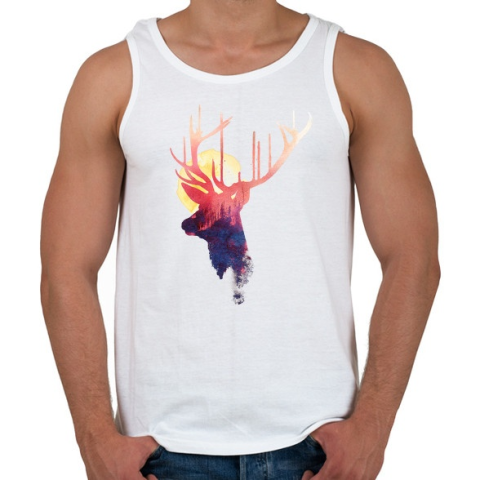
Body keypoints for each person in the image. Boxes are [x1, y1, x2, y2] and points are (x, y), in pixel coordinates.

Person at [39, 0, 440, 479]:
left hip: (318, 450)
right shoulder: (115, 76)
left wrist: (373, 426)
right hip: (159, 452)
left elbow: (413, 257)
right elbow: (66, 268)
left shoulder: (355, 70)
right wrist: (94, 437)